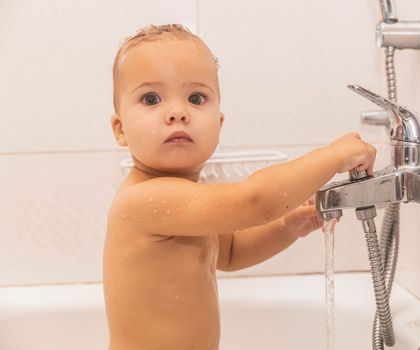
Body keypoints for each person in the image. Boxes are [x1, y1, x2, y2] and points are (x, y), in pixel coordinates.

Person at [104, 24, 376, 350]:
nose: (177, 113)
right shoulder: (145, 199)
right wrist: (333, 157)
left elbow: (231, 252)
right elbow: (255, 202)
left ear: (218, 125)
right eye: (151, 99)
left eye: (196, 98)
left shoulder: (186, 198)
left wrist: (287, 228)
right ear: (120, 129)